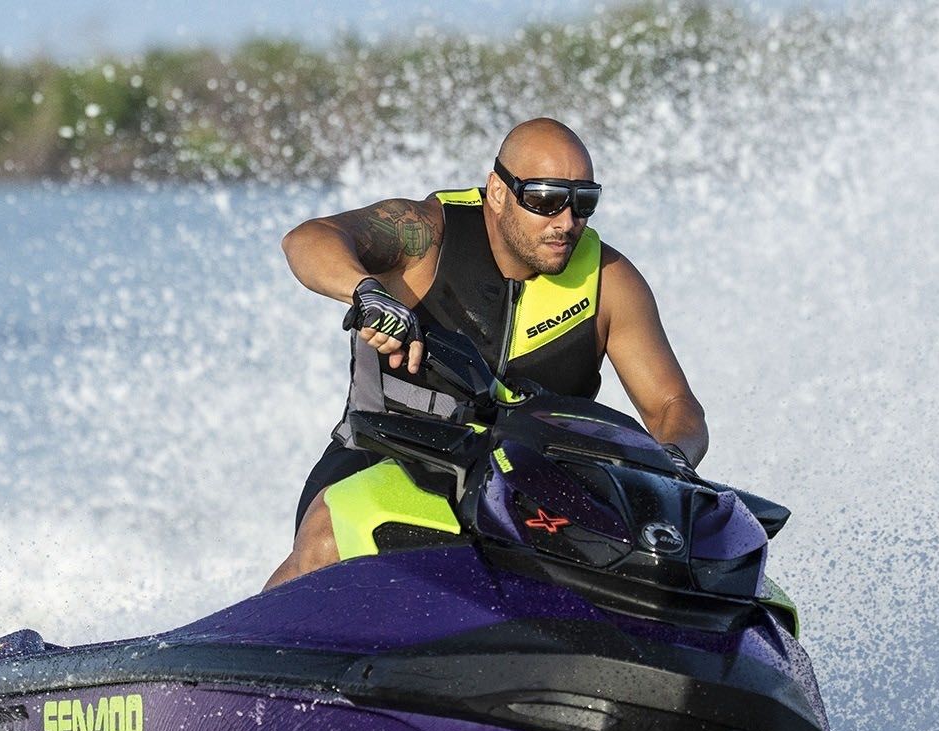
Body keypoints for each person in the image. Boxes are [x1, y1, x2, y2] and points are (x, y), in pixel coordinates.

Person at [264, 117, 708, 589]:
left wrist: (668, 464)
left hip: (533, 489)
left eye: (583, 203)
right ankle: (251, 645)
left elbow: (673, 407)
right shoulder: (425, 237)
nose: (566, 222)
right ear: (498, 191)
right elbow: (307, 239)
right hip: (388, 453)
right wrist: (367, 294)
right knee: (329, 540)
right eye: (544, 199)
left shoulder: (611, 283)